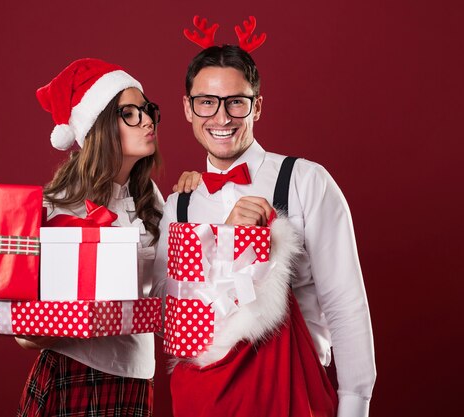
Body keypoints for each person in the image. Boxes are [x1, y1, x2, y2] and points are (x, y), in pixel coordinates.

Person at [152, 45, 377, 417]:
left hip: (292, 393)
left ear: (256, 106)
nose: (221, 117)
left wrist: (355, 403)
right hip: (201, 401)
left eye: (236, 102)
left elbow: (346, 304)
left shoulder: (306, 181)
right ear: (188, 108)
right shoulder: (179, 204)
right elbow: (168, 313)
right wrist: (223, 240)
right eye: (207, 102)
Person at [15, 58, 164, 417]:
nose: (146, 120)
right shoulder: (57, 207)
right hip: (74, 371)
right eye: (130, 113)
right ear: (99, 126)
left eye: (148, 110)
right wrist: (85, 321)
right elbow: (24, 332)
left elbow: (168, 287)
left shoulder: (152, 197)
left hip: (136, 376)